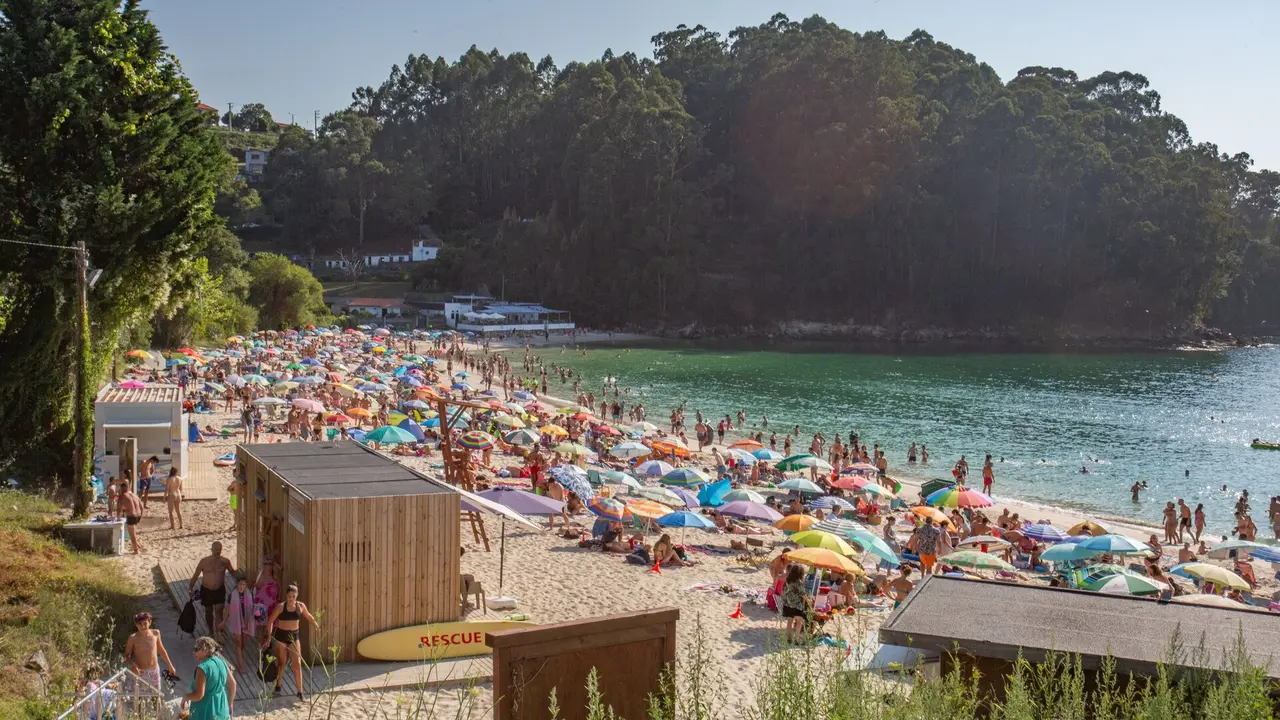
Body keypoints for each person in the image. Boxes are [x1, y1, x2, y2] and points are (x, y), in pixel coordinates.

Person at [263, 583, 318, 700]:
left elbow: (309, 616)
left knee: (297, 663)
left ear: (297, 595)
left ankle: (300, 692)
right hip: (281, 637)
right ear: (286, 596)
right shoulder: (281, 607)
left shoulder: (301, 606)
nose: (291, 599)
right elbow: (271, 621)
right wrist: (269, 637)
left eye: (294, 596)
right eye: (289, 596)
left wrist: (316, 625)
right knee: (282, 663)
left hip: (294, 637)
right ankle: (278, 685)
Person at [122, 612, 176, 705]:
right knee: (139, 698)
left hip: (154, 671)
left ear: (150, 622)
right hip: (140, 672)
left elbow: (162, 651)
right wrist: (132, 664)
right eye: (140, 624)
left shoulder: (155, 633)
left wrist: (170, 665)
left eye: (145, 623)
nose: (143, 626)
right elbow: (126, 655)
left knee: (156, 697)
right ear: (136, 625)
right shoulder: (133, 638)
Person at [180, 636, 235, 720]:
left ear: (205, 650)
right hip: (221, 706)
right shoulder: (221, 662)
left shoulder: (202, 668)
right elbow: (232, 684)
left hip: (206, 709)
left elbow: (199, 695)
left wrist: (185, 698)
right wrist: (230, 704)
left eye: (196, 649)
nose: (194, 652)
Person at [190, 542, 235, 637]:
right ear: (211, 549)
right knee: (208, 611)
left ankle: (219, 631)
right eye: (215, 549)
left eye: (219, 549)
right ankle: (211, 631)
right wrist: (190, 588)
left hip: (219, 589)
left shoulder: (225, 561)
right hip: (206, 590)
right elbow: (195, 575)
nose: (217, 551)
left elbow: (233, 573)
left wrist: (243, 579)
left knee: (219, 611)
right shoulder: (204, 561)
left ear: (221, 550)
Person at [219, 575, 257, 669]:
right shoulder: (233, 594)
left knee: (243, 643)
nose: (242, 586)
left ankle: (238, 653)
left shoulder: (249, 593)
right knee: (238, 643)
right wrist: (224, 621)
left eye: (244, 584)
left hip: (247, 621)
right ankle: (240, 666)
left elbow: (253, 606)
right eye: (240, 584)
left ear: (246, 585)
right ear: (237, 584)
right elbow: (228, 609)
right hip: (237, 622)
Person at [780, 564, 810, 643]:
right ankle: (796, 639)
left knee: (790, 621)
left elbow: (783, 592)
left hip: (787, 604)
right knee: (799, 621)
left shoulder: (787, 580)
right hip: (796, 605)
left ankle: (789, 639)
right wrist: (809, 601)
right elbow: (802, 594)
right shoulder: (799, 582)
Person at [116, 480, 144, 554]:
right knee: (133, 531)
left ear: (122, 489)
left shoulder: (122, 495)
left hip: (131, 516)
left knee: (131, 534)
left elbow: (119, 508)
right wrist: (140, 517)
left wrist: (118, 517)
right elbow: (141, 507)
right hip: (138, 515)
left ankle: (136, 550)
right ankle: (137, 545)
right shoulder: (134, 495)